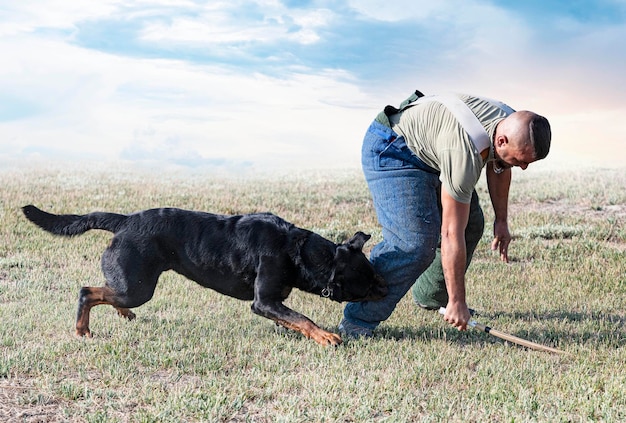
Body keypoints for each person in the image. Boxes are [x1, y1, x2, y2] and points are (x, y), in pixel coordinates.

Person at [338, 90, 551, 337]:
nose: (523, 167)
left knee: (472, 224)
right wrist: (458, 300)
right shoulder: (465, 152)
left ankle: (432, 296)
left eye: (527, 163)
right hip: (393, 149)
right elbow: (450, 233)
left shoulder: (509, 121)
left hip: (433, 152)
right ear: (502, 141)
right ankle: (357, 320)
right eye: (521, 160)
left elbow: (500, 165)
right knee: (413, 245)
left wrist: (501, 221)